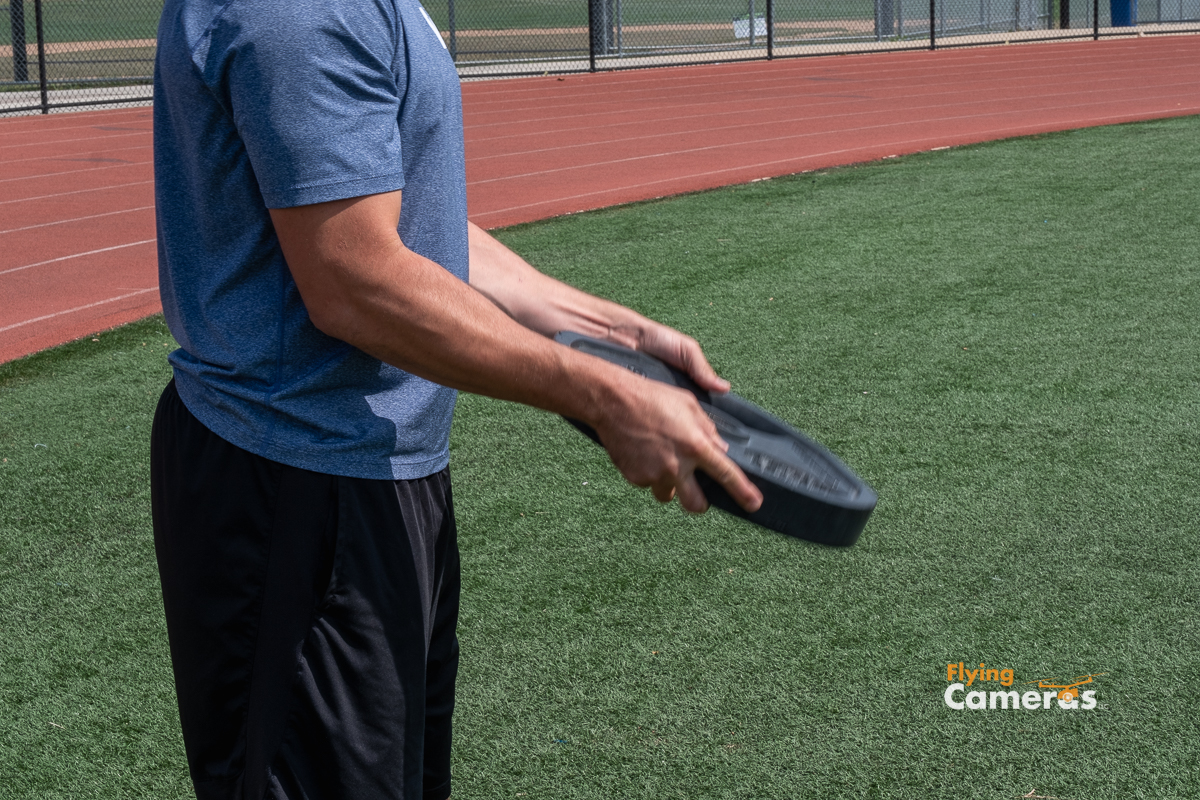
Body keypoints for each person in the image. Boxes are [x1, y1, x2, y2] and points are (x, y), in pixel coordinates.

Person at [149, 1, 763, 798]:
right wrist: (603, 396)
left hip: (369, 472)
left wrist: (600, 328)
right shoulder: (301, 11)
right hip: (292, 484)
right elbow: (353, 277)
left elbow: (377, 206)